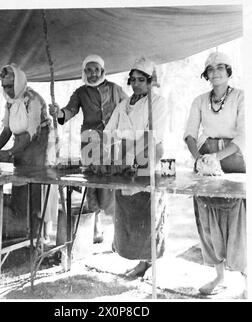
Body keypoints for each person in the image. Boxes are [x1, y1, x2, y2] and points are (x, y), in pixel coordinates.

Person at [184, 52, 246, 295]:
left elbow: (243, 135)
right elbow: (189, 133)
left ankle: (247, 282)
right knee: (208, 218)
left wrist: (217, 158)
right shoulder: (200, 100)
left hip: (234, 158)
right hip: (205, 159)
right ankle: (218, 277)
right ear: (206, 74)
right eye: (211, 68)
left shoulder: (241, 96)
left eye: (221, 67)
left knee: (239, 220)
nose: (216, 72)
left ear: (229, 71)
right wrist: (199, 158)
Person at [49, 54, 128, 243]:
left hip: (112, 143)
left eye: (96, 70)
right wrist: (58, 112)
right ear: (84, 72)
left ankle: (118, 232)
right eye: (89, 70)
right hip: (90, 144)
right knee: (91, 185)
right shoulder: (80, 92)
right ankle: (95, 228)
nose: (93, 74)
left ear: (102, 71)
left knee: (112, 185)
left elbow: (129, 108)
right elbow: (69, 111)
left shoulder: (116, 89)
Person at [104, 57, 168, 278]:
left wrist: (131, 148)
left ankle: (151, 265)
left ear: (151, 81)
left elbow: (154, 136)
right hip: (125, 163)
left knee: (149, 213)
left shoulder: (157, 103)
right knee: (130, 213)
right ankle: (140, 262)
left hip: (148, 159)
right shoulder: (123, 105)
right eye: (133, 80)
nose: (136, 84)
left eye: (142, 80)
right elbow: (109, 132)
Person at [0, 63, 58, 241]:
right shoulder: (9, 102)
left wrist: (9, 153)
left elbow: (31, 133)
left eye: (10, 85)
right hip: (21, 146)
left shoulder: (33, 99)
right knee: (20, 185)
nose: (7, 89)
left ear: (19, 82)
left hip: (39, 145)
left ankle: (39, 236)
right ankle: (24, 232)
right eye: (4, 86)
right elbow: (7, 130)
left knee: (35, 186)